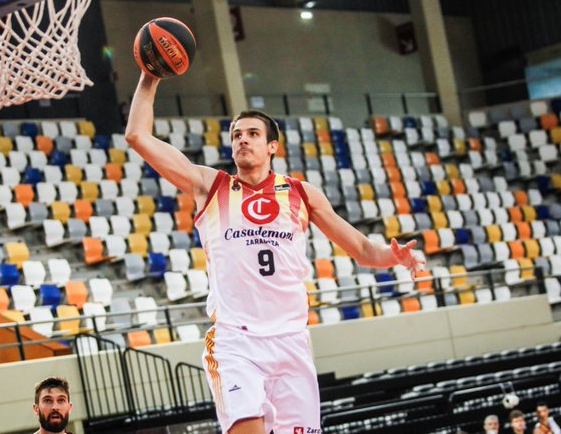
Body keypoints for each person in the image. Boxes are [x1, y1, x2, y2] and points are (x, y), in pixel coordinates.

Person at [124, 72, 424, 434]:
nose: (242, 140)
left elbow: (362, 249)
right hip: (236, 341)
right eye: (236, 135)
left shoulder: (301, 193)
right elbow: (138, 136)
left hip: (291, 341)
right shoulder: (210, 186)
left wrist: (395, 257)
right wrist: (149, 77)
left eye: (252, 134)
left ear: (272, 147)